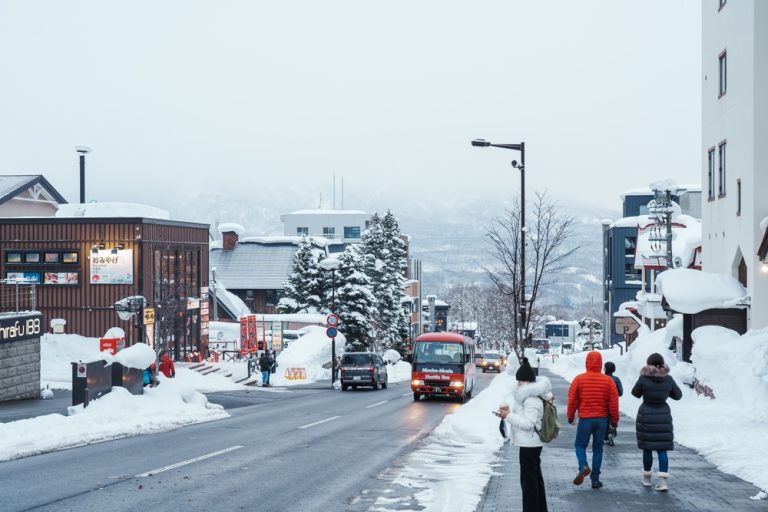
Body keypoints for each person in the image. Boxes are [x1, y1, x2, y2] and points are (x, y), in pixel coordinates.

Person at [499, 357, 551, 512]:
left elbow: (528, 424)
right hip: (531, 443)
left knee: (529, 483)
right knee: (535, 479)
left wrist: (508, 416)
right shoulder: (530, 398)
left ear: (527, 381)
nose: (518, 384)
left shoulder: (531, 400)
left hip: (530, 443)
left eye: (520, 381)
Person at [566, 351, 619, 489]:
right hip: (602, 420)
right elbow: (613, 403)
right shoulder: (608, 381)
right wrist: (614, 421)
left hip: (585, 419)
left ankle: (583, 465)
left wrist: (570, 416)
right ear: (601, 363)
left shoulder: (579, 379)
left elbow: (572, 400)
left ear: (586, 363)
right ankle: (595, 479)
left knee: (580, 445)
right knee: (598, 449)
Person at [631, 353, 682, 492]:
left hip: (646, 415)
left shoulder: (644, 378)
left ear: (648, 364)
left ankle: (647, 479)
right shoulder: (668, 379)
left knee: (647, 448)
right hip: (663, 416)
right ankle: (663, 481)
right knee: (662, 449)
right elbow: (678, 396)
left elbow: (635, 393)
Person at [603, 361, 623, 446]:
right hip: (613, 402)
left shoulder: (602, 378)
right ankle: (611, 433)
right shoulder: (616, 379)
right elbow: (621, 392)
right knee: (612, 419)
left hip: (603, 403)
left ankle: (605, 437)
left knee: (604, 420)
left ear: (605, 369)